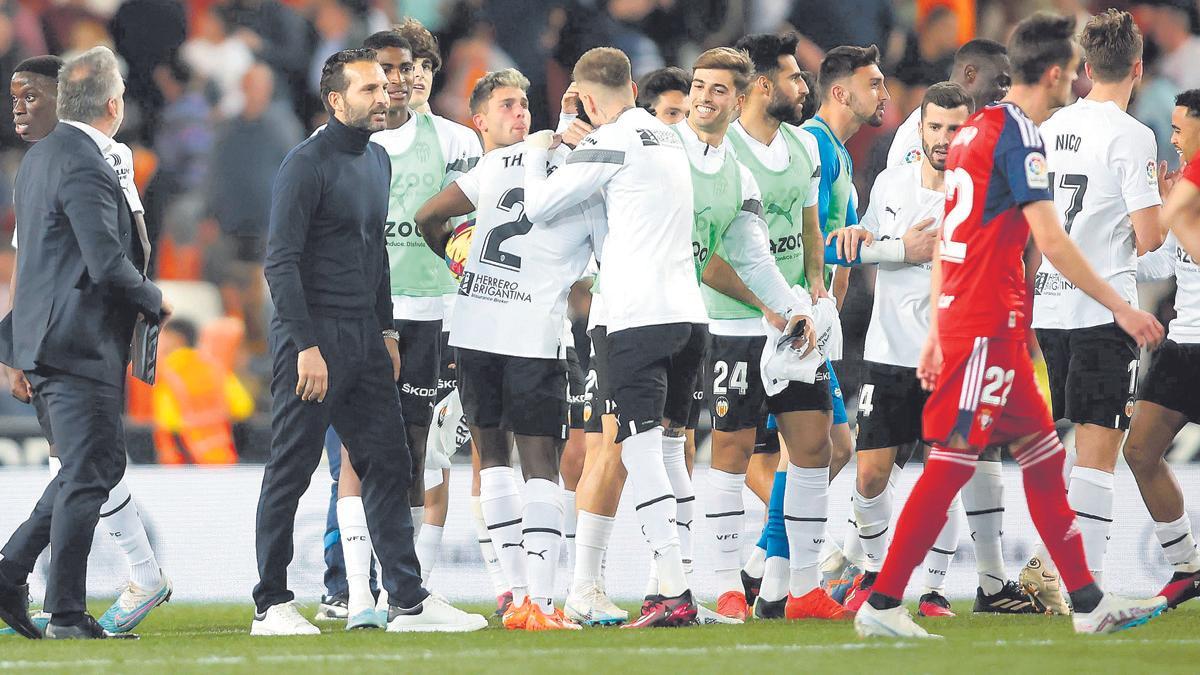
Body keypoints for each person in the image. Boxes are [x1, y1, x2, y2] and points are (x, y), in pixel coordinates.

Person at [854, 13, 1168, 639]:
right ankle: (883, 603)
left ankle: (1089, 603)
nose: (1076, 78)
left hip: (978, 325)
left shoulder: (974, 132)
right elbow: (1050, 238)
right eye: (1071, 69)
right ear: (1054, 73)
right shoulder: (1019, 136)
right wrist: (1122, 305)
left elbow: (952, 238)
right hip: (985, 328)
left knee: (1045, 460)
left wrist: (940, 330)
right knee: (951, 460)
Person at [252, 48, 485, 636]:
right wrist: (305, 345)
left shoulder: (376, 160)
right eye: (369, 90)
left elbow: (374, 256)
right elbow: (279, 263)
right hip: (314, 340)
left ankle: (407, 599)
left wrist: (384, 331)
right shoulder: (305, 164)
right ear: (336, 100)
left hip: (365, 338)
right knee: (292, 467)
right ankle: (271, 604)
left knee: (389, 461)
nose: (385, 96)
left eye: (385, 87)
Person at [520, 47, 711, 628]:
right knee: (672, 451)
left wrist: (542, 150)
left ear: (591, 101)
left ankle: (673, 590)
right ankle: (668, 589)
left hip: (637, 318)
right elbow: (615, 220)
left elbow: (540, 205)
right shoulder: (667, 136)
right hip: (688, 316)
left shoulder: (616, 138)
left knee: (638, 450)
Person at [416, 68, 599, 631]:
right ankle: (543, 604)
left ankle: (518, 598)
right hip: (532, 335)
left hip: (474, 329)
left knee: (492, 462)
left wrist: (455, 257)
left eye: (525, 104)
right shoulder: (580, 171)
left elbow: (427, 215)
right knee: (541, 466)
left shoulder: (493, 165)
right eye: (509, 105)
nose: (521, 114)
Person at [0, 54, 176, 639]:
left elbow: (35, 264)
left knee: (86, 469)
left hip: (48, 339)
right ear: (113, 105)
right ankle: (66, 613)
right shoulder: (88, 161)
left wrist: (13, 345)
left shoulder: (37, 161)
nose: (20, 106)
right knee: (87, 474)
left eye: (30, 95)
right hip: (77, 341)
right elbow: (106, 261)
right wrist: (153, 299)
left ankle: (11, 574)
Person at [690, 34, 828, 621]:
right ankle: (724, 584)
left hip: (793, 325)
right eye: (795, 77)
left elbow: (810, 225)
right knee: (732, 448)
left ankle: (803, 588)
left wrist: (816, 291)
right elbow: (709, 255)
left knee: (816, 445)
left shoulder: (804, 147)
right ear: (764, 87)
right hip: (733, 324)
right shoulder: (722, 155)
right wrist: (765, 306)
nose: (804, 87)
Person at [1034, 9, 1166, 591]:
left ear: (1086, 68)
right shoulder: (1134, 136)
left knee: (1049, 442)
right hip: (1103, 311)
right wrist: (1160, 199)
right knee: (1097, 450)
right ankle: (1079, 585)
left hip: (1045, 305)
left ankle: (1040, 573)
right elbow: (1150, 237)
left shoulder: (1051, 126)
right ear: (1137, 68)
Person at [798, 43, 888, 603]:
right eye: (873, 82)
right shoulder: (811, 145)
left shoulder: (842, 153)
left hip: (819, 320)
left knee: (834, 446)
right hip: (791, 321)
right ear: (840, 91)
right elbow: (803, 232)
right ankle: (796, 560)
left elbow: (844, 247)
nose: (883, 92)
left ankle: (775, 559)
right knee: (809, 448)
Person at [1122, 88, 1200, 609]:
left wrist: (1169, 209)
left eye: (1178, 129)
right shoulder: (1185, 189)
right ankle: (1187, 568)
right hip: (1184, 344)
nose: (1171, 139)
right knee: (1140, 451)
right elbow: (1161, 265)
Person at [886, 39, 1011, 168]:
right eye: (1001, 82)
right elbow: (915, 186)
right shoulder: (927, 125)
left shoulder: (974, 125)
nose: (1006, 92)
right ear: (971, 74)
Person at [151, 318, 253, 465]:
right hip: (223, 459)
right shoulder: (215, 367)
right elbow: (243, 407)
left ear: (177, 339)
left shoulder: (167, 373)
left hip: (184, 465)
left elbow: (167, 421)